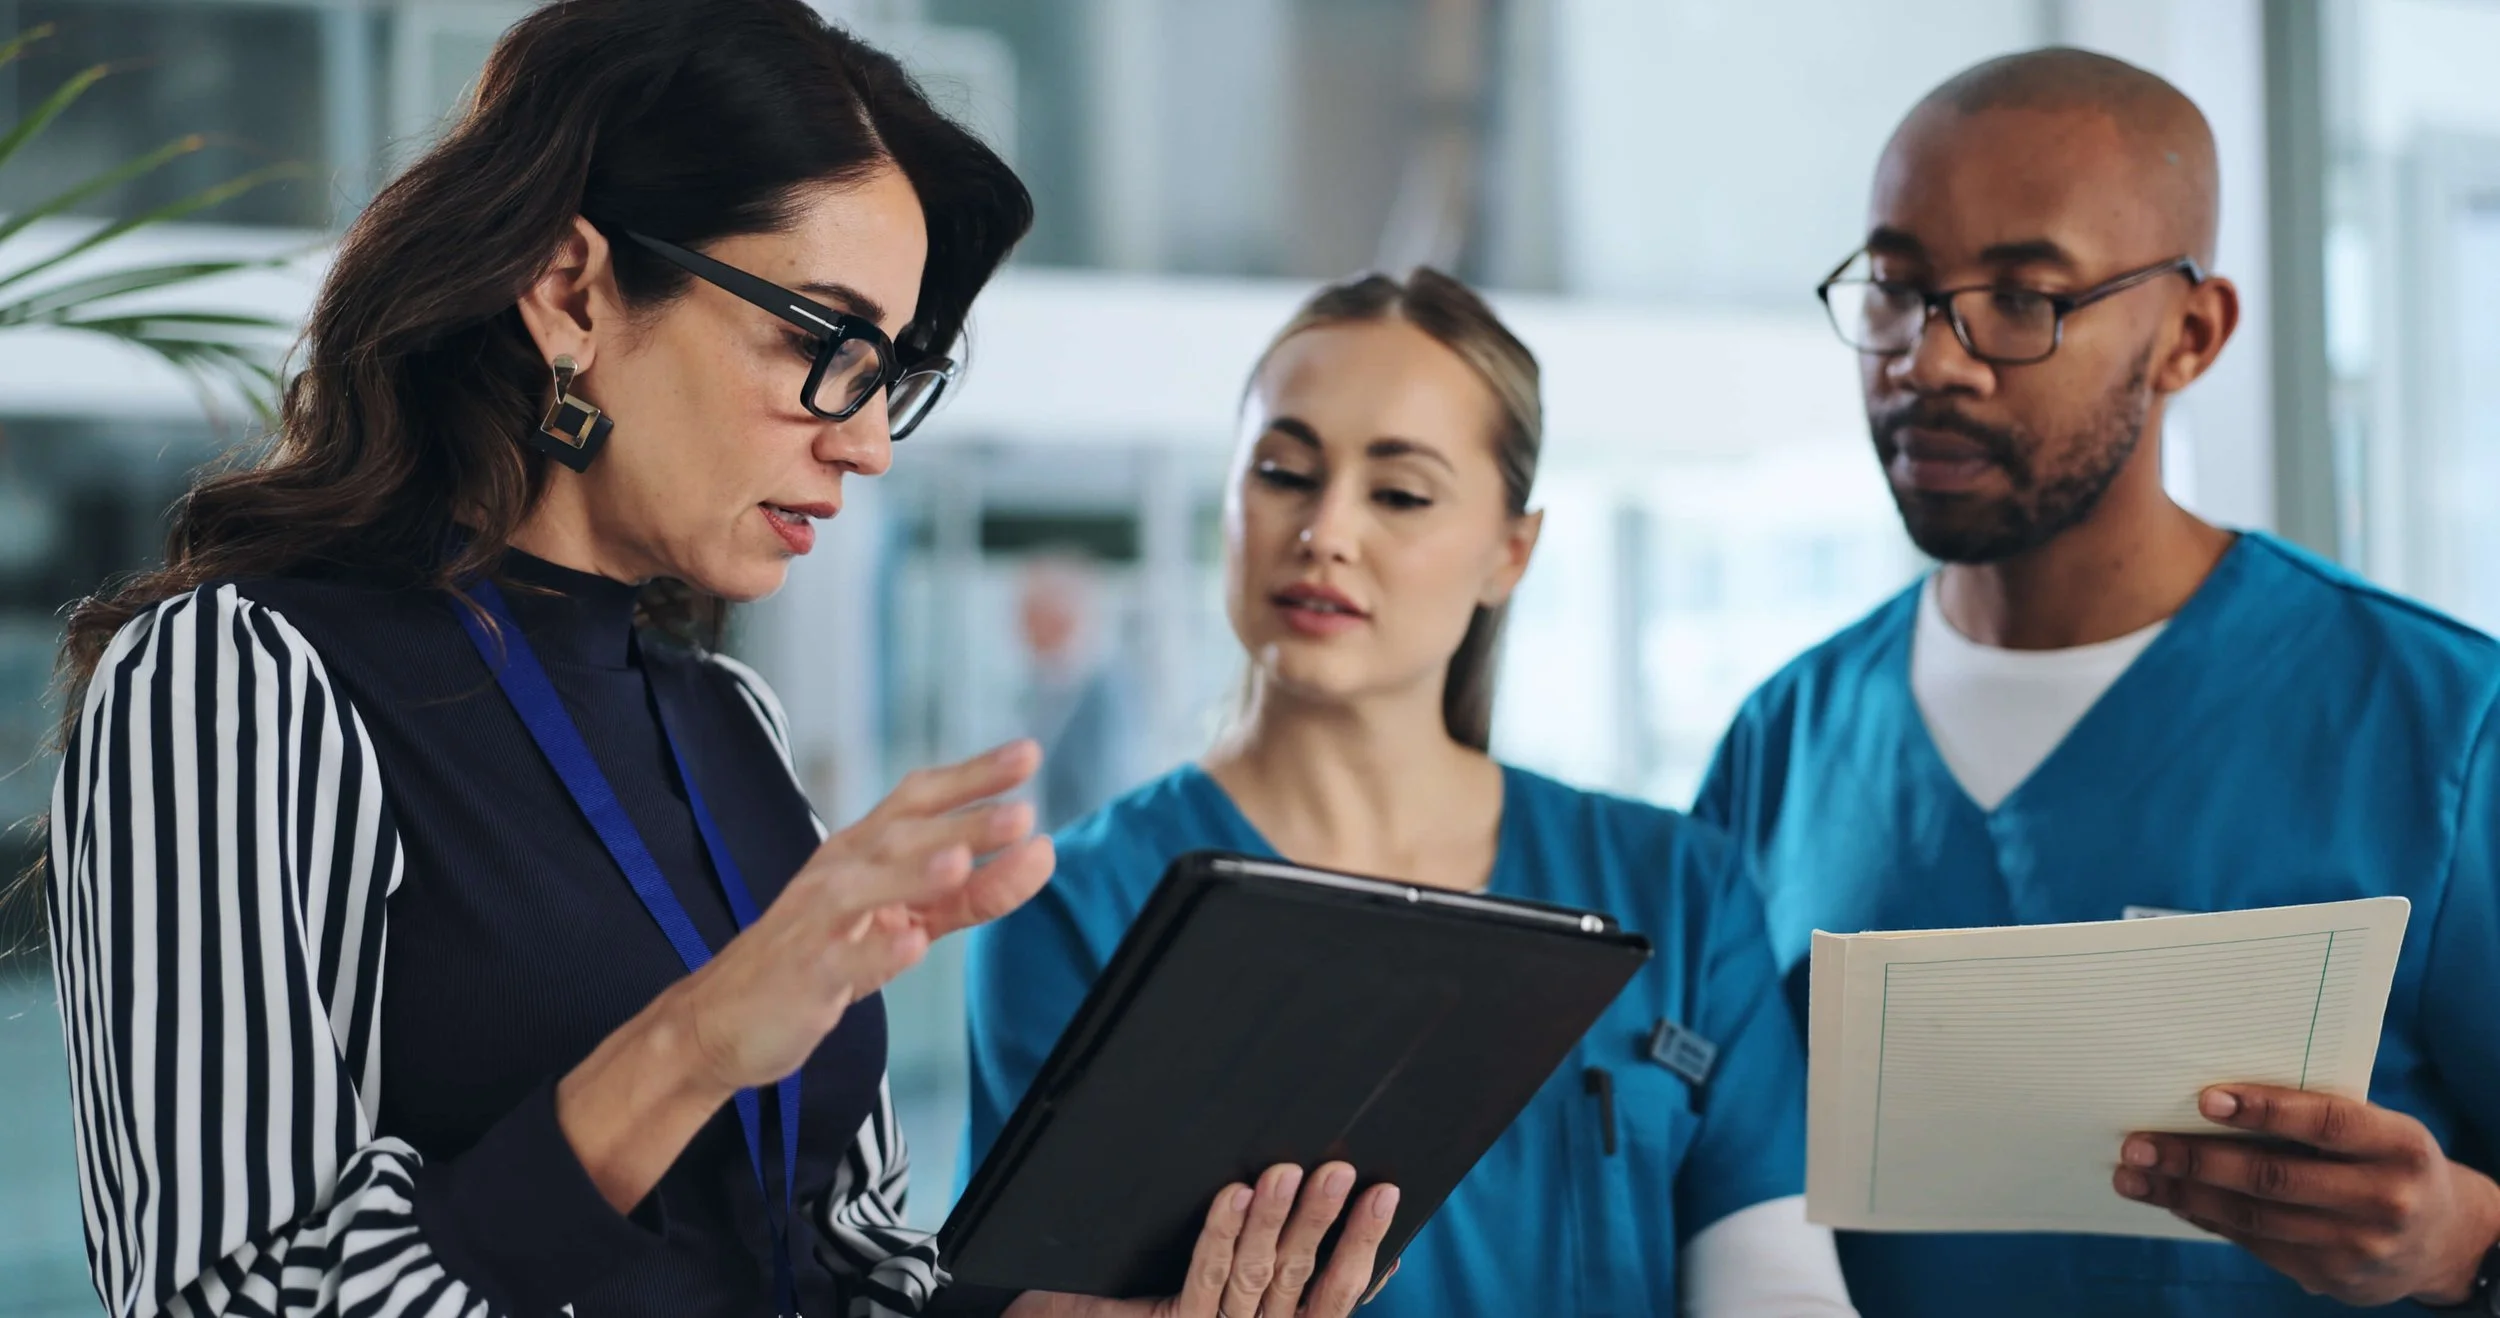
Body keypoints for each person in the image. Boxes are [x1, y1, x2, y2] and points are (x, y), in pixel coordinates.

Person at [37, 4, 1394, 1316]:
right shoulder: (238, 678)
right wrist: (688, 1045)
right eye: (821, 341)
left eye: (892, 372)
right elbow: (230, 1298)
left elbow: (828, 1245)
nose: (864, 440)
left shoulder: (725, 715)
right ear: (571, 290)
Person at [1694, 47, 2500, 1318]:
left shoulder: (2446, 727)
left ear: (2191, 335)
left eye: (2023, 297)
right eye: (1898, 288)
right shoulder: (1782, 744)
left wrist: (2469, 1246)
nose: (1928, 359)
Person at [963, 269, 1859, 1317]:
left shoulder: (1676, 888)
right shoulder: (1072, 904)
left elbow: (1773, 1278)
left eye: (1398, 493)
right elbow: (1023, 1296)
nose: (1326, 531)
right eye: (1284, 471)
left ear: (1508, 553)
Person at [1014, 553, 1139, 832]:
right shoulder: (1047, 687)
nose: (1020, 629)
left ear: (1060, 617)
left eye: (1028, 615)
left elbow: (1105, 788)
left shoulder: (1103, 694)